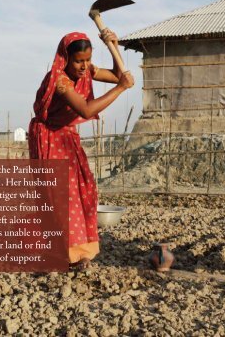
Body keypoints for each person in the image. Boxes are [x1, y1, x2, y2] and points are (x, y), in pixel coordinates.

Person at [29, 29, 134, 271]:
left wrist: (113, 46)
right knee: (60, 197)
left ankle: (81, 251)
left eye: (87, 60)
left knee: (82, 189)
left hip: (66, 135)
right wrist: (120, 89)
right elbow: (86, 110)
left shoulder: (88, 69)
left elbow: (118, 74)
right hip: (49, 137)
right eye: (79, 61)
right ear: (66, 58)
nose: (84, 66)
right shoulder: (60, 81)